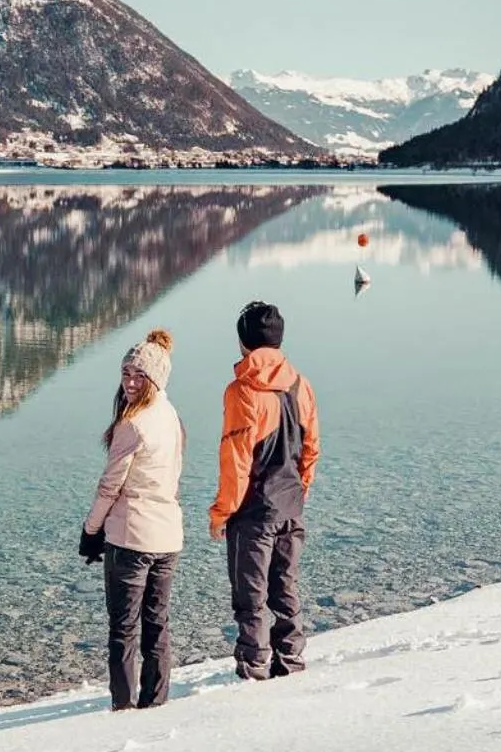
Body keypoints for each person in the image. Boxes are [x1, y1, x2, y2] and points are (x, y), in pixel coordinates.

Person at [208, 300, 320, 681]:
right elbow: (311, 449)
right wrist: (298, 492)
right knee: (285, 589)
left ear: (244, 342)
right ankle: (291, 660)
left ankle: (253, 668)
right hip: (290, 507)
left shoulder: (242, 391)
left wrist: (221, 513)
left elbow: (236, 461)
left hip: (253, 512)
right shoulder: (301, 384)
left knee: (250, 598)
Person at [79, 329, 185, 710]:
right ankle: (155, 701)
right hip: (168, 538)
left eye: (139, 375)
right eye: (126, 373)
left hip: (131, 540)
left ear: (155, 380)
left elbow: (109, 487)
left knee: (123, 629)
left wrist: (90, 531)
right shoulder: (170, 416)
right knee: (157, 623)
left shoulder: (132, 424)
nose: (129, 382)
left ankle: (123, 708)